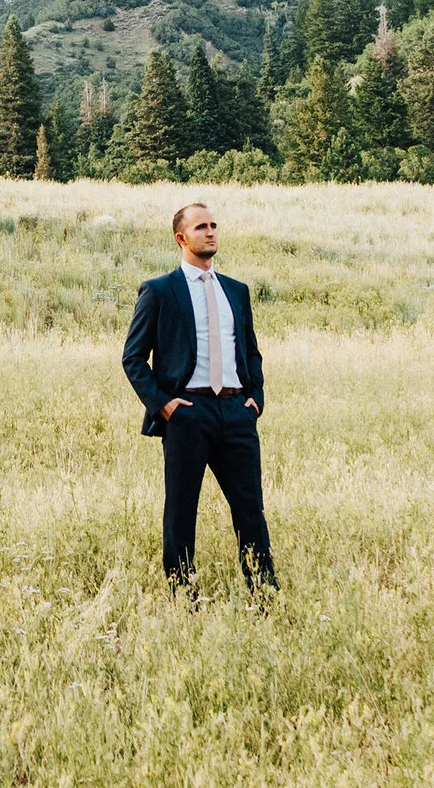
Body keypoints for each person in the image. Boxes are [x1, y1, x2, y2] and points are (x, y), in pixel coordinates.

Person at [120, 201, 277, 591]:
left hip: (237, 413)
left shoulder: (237, 292)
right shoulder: (159, 291)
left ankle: (264, 595)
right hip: (188, 414)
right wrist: (165, 405)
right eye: (201, 227)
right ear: (181, 238)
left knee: (250, 513)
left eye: (214, 225)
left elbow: (251, 351)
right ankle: (182, 596)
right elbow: (133, 358)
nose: (210, 232)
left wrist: (255, 397)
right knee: (181, 512)